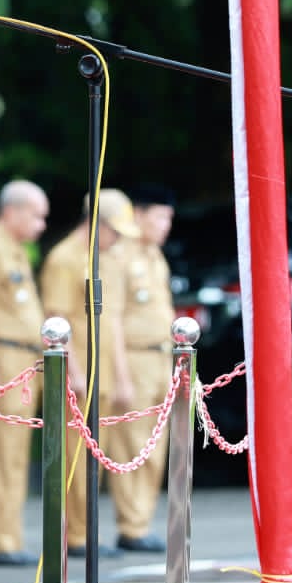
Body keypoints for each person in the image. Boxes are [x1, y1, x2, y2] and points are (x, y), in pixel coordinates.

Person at [39, 188, 140, 558]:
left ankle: (89, 531)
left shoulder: (105, 260)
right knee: (76, 456)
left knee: (96, 456)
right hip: (80, 372)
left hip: (106, 373)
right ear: (98, 224)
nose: (117, 241)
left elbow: (111, 324)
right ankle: (77, 535)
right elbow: (57, 319)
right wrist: (73, 371)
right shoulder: (65, 258)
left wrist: (122, 376)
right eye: (115, 231)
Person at [0, 179, 49, 567]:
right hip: (3, 358)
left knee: (16, 455)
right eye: (36, 215)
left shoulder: (16, 250)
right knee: (1, 455)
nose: (42, 224)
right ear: (12, 211)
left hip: (25, 362)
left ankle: (11, 535)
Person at [99, 183, 178, 553]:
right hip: (132, 358)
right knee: (132, 444)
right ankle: (131, 525)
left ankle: (142, 520)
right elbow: (110, 319)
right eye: (160, 216)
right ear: (140, 215)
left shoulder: (154, 257)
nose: (165, 225)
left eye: (169, 218)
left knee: (155, 445)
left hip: (160, 357)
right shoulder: (119, 257)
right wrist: (120, 375)